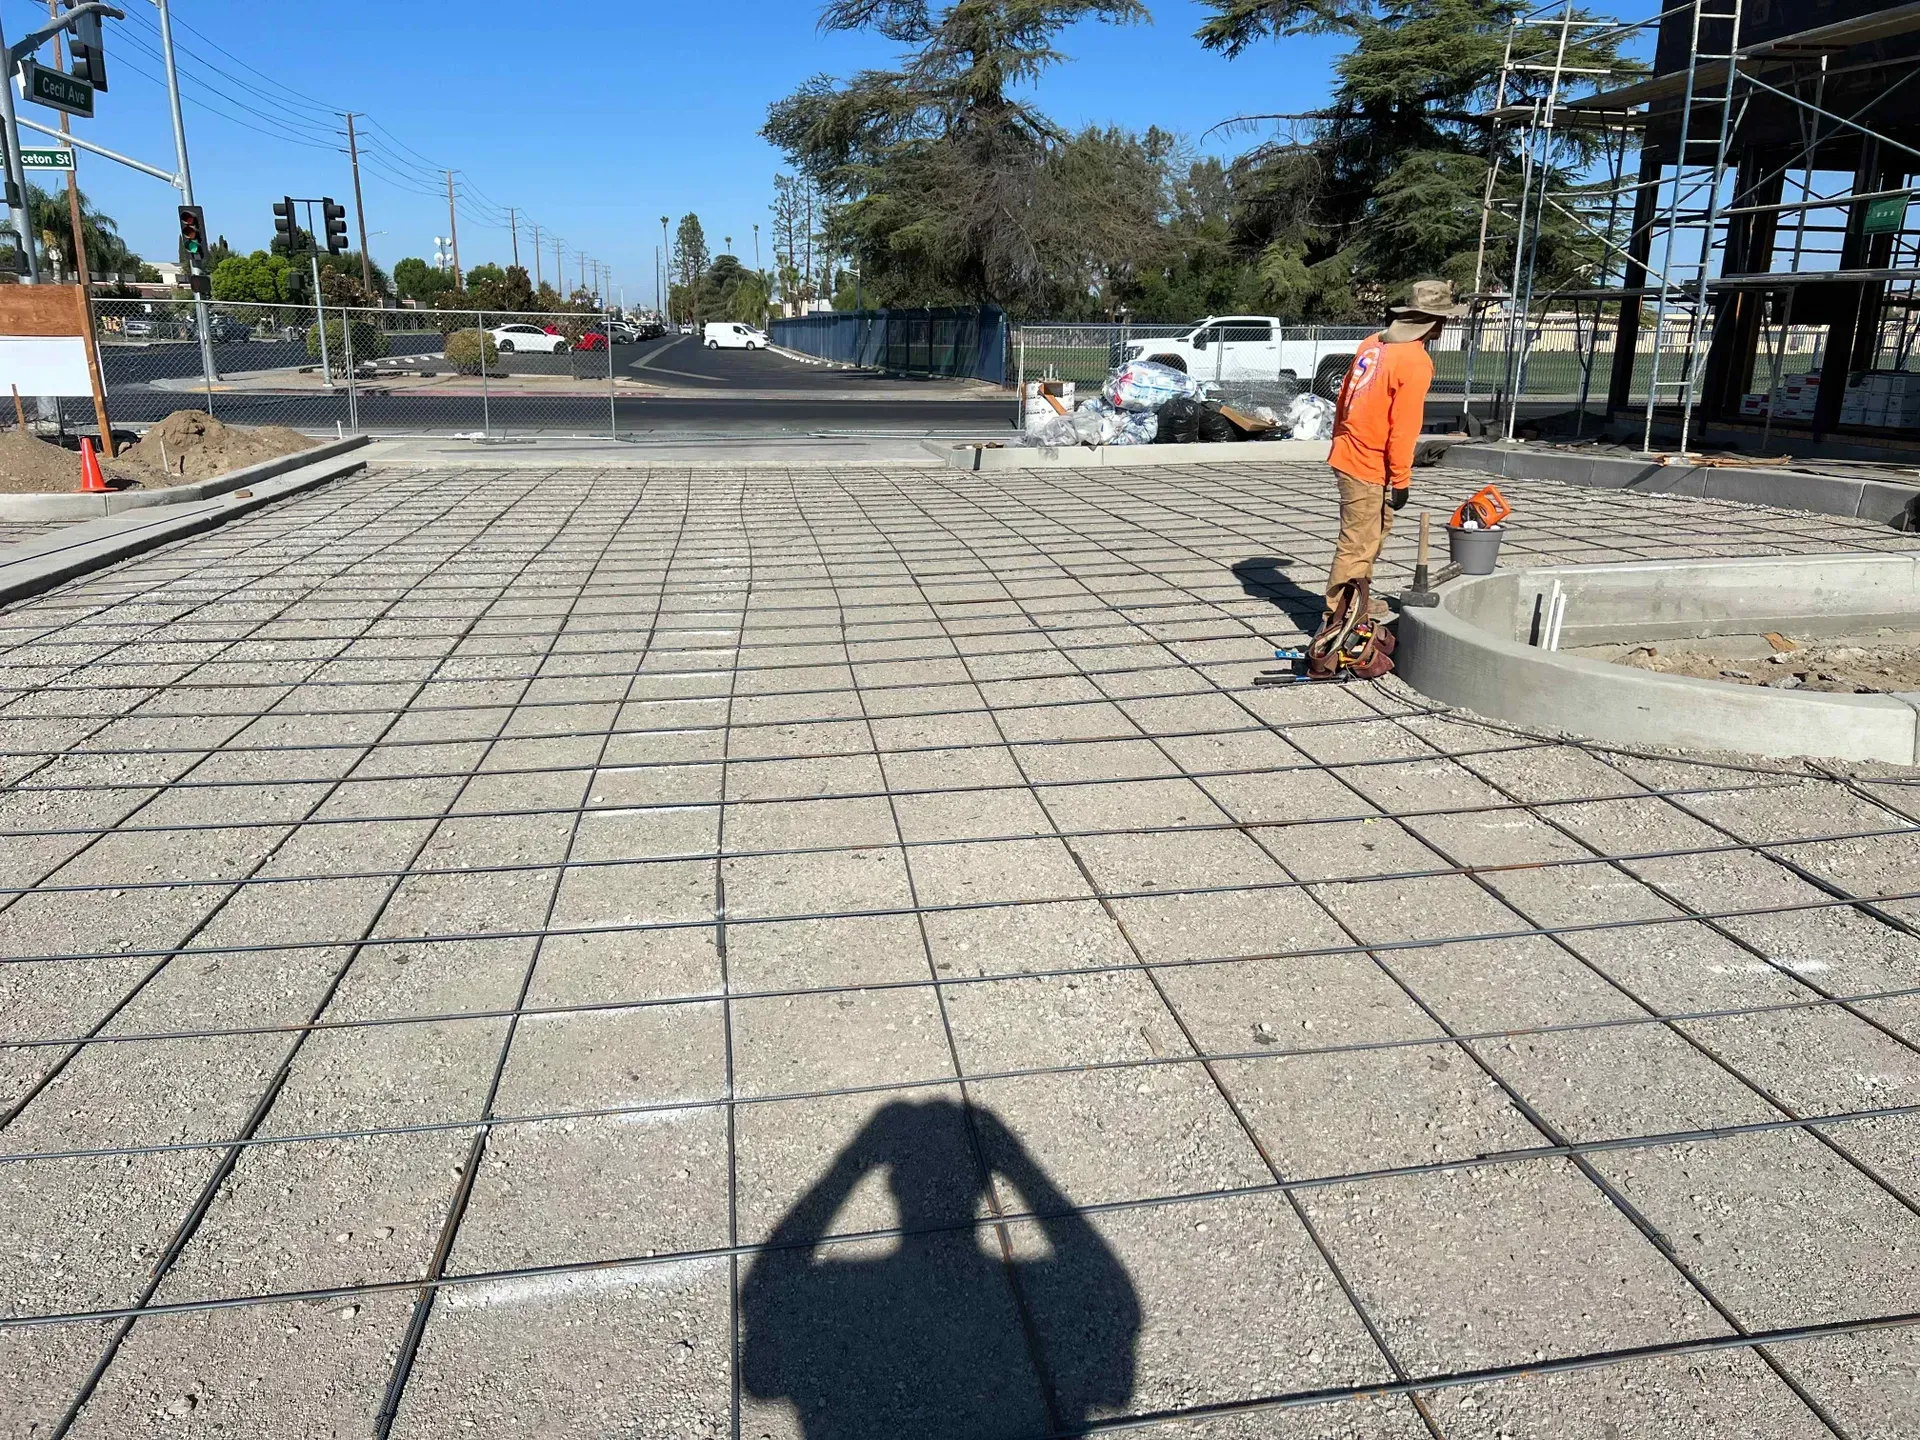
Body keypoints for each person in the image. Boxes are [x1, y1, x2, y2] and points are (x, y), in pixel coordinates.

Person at [1324, 279, 1469, 614]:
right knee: (1358, 539)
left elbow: (1344, 397)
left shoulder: (1372, 343)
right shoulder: (1415, 362)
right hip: (1367, 460)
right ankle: (1339, 614)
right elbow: (1403, 430)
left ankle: (1357, 596)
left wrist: (1339, 440)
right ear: (1435, 322)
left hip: (1351, 451)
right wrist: (1401, 480)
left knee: (1376, 528)